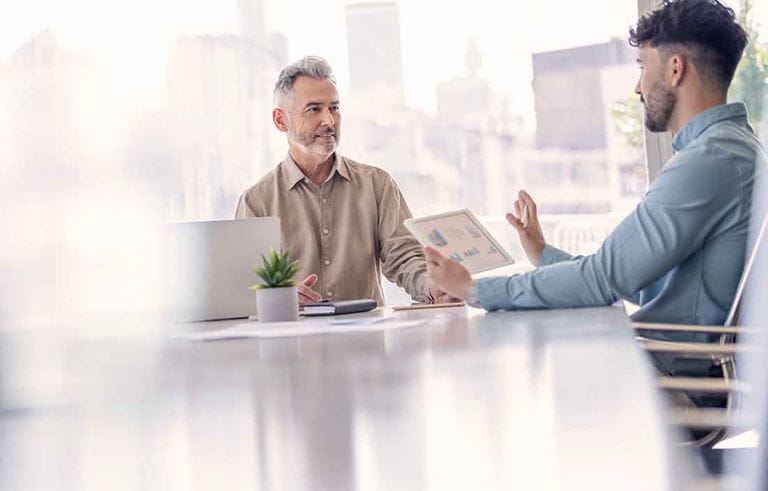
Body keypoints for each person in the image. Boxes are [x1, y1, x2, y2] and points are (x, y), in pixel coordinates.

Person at [425, 0, 766, 377]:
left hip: (675, 382)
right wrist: (544, 254)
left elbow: (603, 279)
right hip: (675, 369)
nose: (638, 87)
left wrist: (475, 290)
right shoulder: (731, 150)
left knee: (503, 373)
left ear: (674, 69)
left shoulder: (708, 162)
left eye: (642, 67)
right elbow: (642, 283)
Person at [236, 56, 446, 305]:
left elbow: (405, 256)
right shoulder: (256, 202)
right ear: (281, 120)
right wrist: (279, 297)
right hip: (294, 340)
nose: (329, 120)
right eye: (314, 109)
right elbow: (244, 285)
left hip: (367, 340)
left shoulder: (377, 185)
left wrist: (433, 287)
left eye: (334, 108)